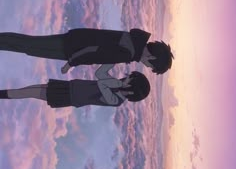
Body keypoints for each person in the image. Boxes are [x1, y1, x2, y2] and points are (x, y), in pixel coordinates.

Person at [0, 28, 173, 74]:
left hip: (76, 38)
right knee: (29, 46)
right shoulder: (128, 53)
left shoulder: (133, 39)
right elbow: (95, 52)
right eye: (151, 66)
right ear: (151, 57)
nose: (146, 66)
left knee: (29, 43)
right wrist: (71, 62)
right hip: (72, 49)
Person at [0, 64, 151, 108]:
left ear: (131, 89)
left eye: (129, 78)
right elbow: (100, 73)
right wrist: (114, 59)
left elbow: (102, 83)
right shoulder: (116, 87)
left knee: (29, 92)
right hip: (70, 87)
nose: (126, 77)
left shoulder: (116, 100)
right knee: (27, 90)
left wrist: (119, 83)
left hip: (69, 96)